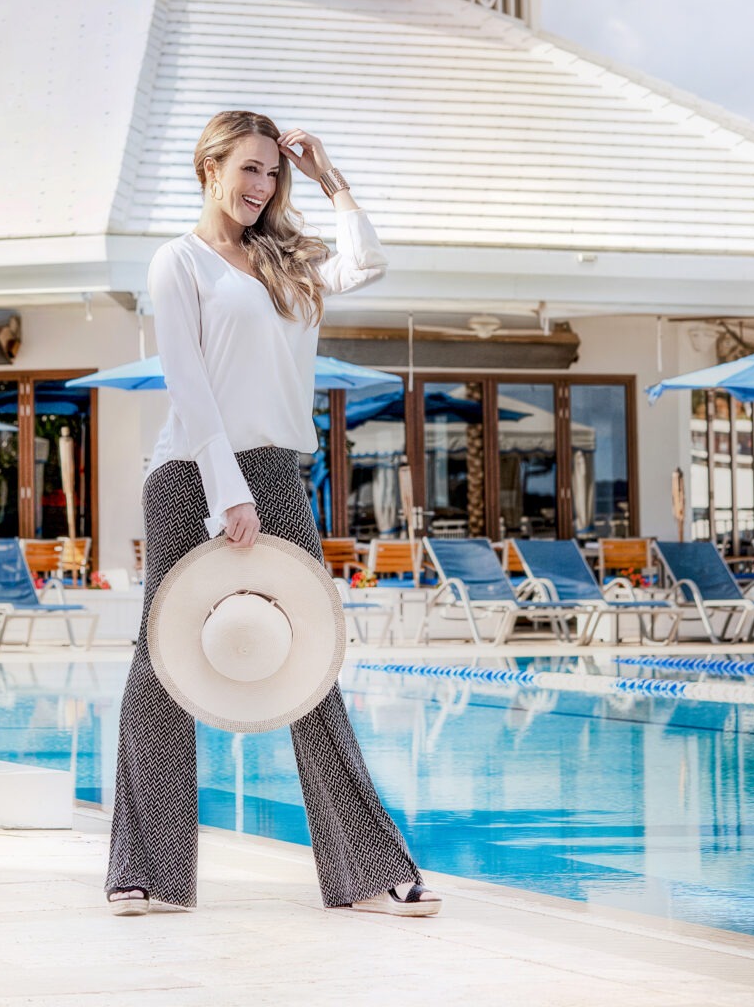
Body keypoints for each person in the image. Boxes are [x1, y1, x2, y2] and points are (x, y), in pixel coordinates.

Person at [106, 110, 439, 918]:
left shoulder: (286, 259)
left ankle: (367, 870)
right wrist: (227, 491)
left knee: (308, 660)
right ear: (208, 167)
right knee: (159, 662)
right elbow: (185, 382)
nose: (260, 187)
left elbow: (368, 262)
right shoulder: (176, 262)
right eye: (248, 169)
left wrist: (332, 182)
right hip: (192, 468)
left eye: (271, 173)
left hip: (275, 468)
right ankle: (140, 871)